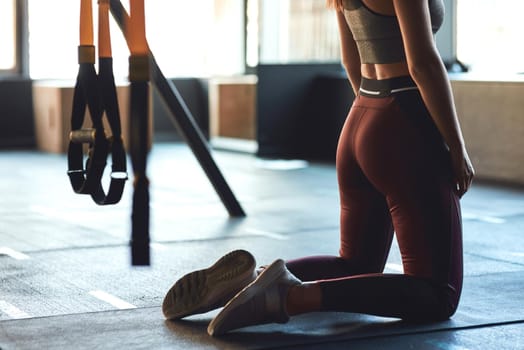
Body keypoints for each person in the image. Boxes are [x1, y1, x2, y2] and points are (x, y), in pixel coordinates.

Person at [162, 0, 475, 336]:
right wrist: (456, 146)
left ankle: (250, 281)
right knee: (438, 295)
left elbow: (350, 59)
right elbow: (423, 64)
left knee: (356, 264)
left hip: (361, 116)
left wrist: (373, 120)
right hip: (402, 120)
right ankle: (289, 296)